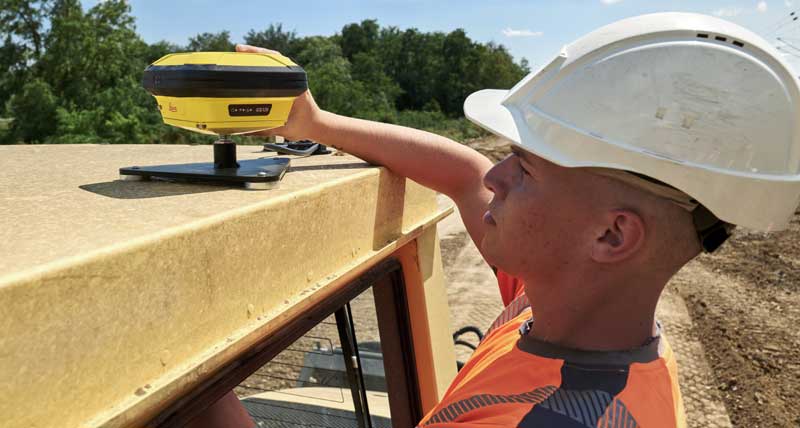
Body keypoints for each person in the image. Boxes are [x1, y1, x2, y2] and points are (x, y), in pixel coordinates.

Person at [191, 12, 800, 427]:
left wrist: (190, 387)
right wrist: (315, 126)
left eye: (526, 170)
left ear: (612, 235)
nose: (494, 177)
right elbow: (459, 170)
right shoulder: (555, 307)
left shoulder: (543, 416)